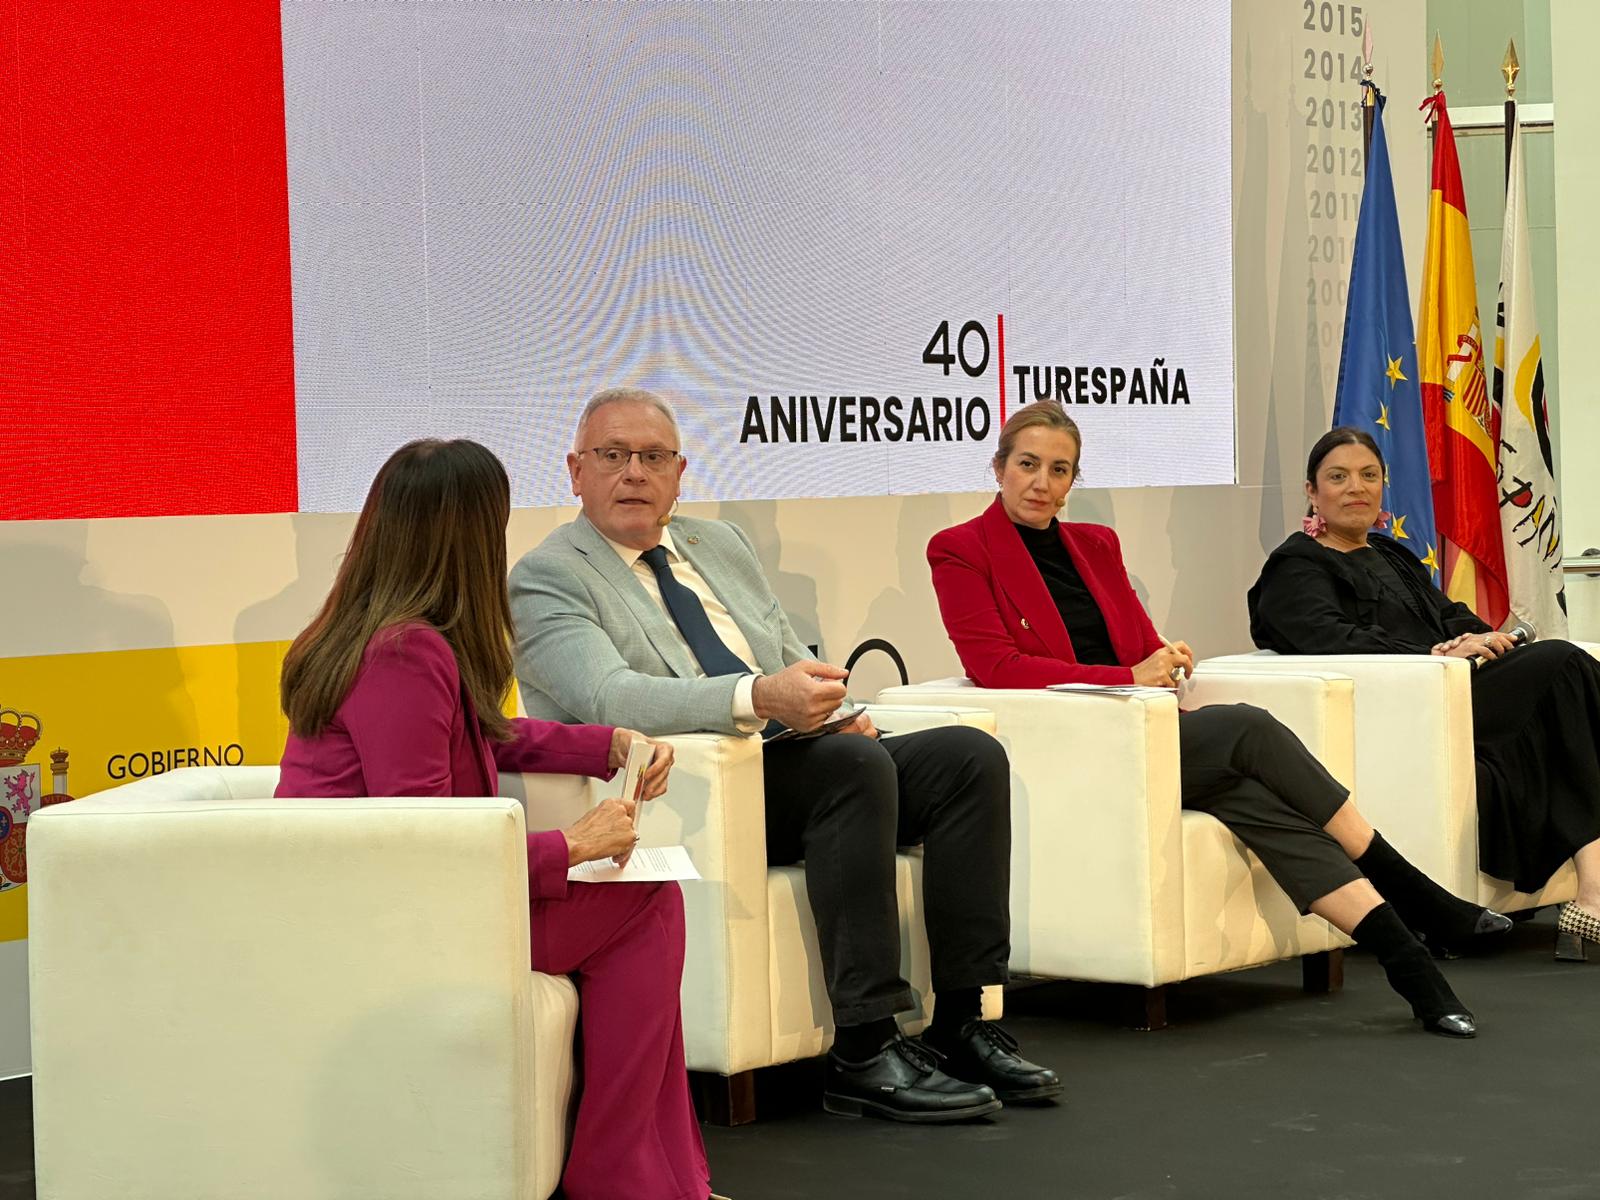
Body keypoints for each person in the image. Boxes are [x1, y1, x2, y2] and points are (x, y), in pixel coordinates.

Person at [510, 386, 1060, 1123]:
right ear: (576, 471)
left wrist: (843, 713)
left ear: (680, 473)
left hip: (797, 760)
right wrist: (761, 698)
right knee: (850, 770)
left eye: (654, 457)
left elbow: (785, 649)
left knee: (967, 758)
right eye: (613, 455)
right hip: (693, 792)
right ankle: (864, 1048)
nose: (634, 473)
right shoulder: (547, 575)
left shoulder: (718, 546)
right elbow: (612, 697)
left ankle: (963, 1020)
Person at [927, 401, 1500, 1037]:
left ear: (1072, 481)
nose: (1042, 482)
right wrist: (1128, 677)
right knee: (1246, 726)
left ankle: (1415, 973)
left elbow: (1139, 644)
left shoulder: (1095, 544)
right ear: (999, 467)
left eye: (1059, 470)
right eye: (1028, 465)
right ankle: (1418, 895)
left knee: (1261, 803)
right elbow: (996, 665)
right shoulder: (960, 549)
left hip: (1146, 729)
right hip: (1071, 742)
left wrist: (1163, 659)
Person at [275, 438, 723, 1200]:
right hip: (392, 919)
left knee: (647, 898)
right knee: (647, 902)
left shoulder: (388, 633)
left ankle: (647, 1171)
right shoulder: (403, 652)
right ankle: (621, 1173)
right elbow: (423, 841)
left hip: (381, 901)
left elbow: (481, 731)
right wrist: (570, 846)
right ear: (468, 537)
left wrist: (606, 743)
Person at [1249, 425, 1600, 965]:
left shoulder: (1391, 554)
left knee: (1567, 692)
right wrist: (1434, 653)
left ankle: (1593, 889)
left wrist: (1479, 637)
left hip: (1457, 690)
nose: (1356, 488)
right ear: (1311, 491)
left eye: (1369, 476)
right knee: (1564, 664)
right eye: (1338, 477)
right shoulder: (1297, 566)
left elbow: (1452, 615)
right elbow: (1328, 639)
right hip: (1405, 709)